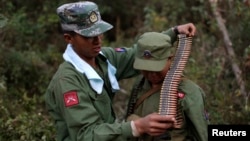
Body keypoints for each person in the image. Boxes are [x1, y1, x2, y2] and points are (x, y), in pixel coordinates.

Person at [44, 1, 197, 141]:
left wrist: (174, 32)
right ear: (68, 38)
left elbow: (137, 55)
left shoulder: (103, 58)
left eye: (99, 32)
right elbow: (86, 134)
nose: (98, 40)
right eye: (89, 36)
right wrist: (137, 127)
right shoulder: (67, 82)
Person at [126, 32, 209, 141]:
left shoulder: (189, 91)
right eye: (146, 67)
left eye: (157, 67)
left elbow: (202, 135)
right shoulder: (140, 84)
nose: (152, 73)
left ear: (170, 59)